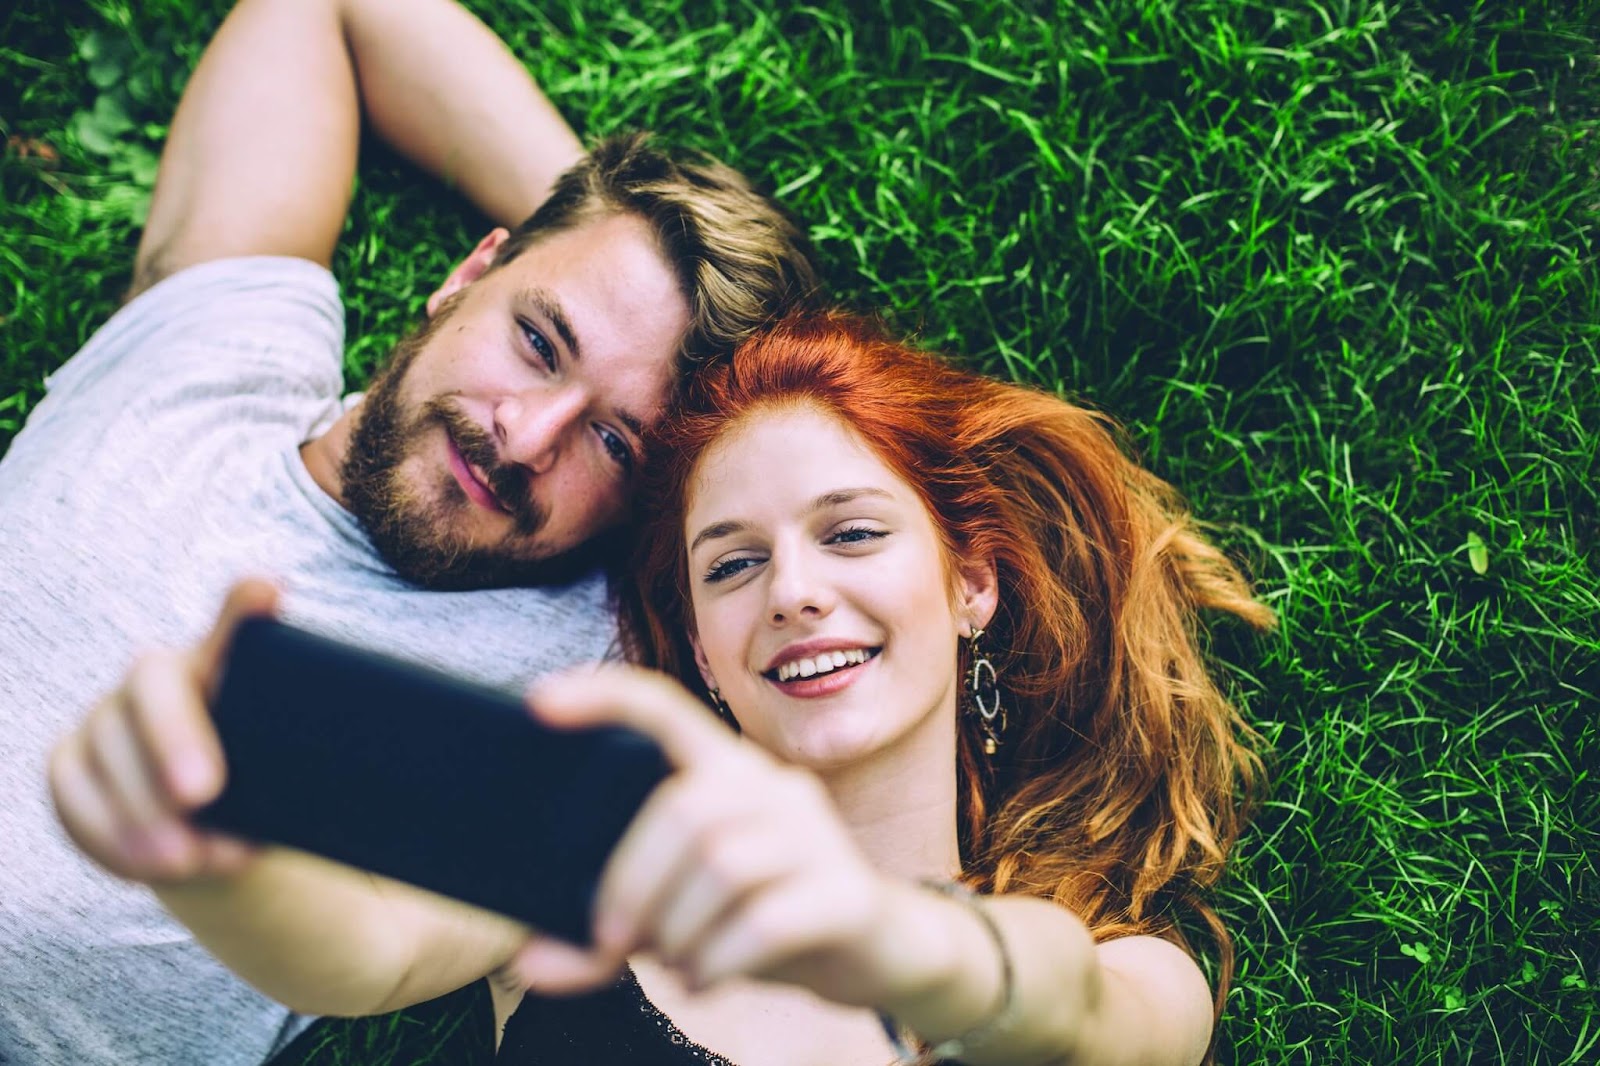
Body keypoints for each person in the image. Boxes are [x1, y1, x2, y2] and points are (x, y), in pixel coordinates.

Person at [53, 311, 1274, 1065]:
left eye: (849, 535)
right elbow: (359, 955)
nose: (791, 590)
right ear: (697, 647)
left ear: (971, 586)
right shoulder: (606, 867)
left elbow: (1065, 1013)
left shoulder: (1132, 972)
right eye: (732, 562)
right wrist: (204, 855)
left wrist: (884, 936)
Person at [0, 0, 817, 1058]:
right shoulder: (220, 340)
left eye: (616, 443)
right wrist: (612, 229)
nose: (527, 439)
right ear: (465, 278)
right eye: (537, 338)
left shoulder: (583, 673)